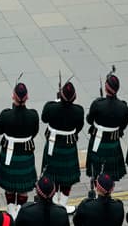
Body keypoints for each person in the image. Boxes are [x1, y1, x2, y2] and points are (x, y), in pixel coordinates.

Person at [0, 82, 39, 218]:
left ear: (13, 96)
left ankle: (10, 210)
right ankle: (20, 212)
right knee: (23, 188)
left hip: (9, 151)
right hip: (25, 153)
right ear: (27, 97)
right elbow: (34, 132)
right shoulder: (33, 115)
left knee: (9, 186)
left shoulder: (5, 115)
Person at [42, 81, 85, 210]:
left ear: (60, 95)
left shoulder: (50, 107)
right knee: (67, 180)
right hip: (68, 145)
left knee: (52, 176)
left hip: (53, 144)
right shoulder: (79, 111)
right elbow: (78, 128)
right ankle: (62, 204)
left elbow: (44, 118)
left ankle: (54, 202)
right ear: (74, 97)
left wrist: (56, 103)